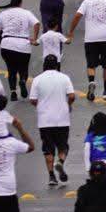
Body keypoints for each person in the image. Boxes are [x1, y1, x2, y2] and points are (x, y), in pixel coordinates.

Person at [28, 56, 76, 187]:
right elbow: (72, 96)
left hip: (45, 120)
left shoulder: (37, 79)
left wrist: (41, 105)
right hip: (62, 119)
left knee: (48, 149)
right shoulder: (64, 78)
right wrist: (68, 105)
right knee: (63, 146)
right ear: (56, 65)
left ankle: (51, 177)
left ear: (44, 65)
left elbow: (32, 99)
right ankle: (60, 161)